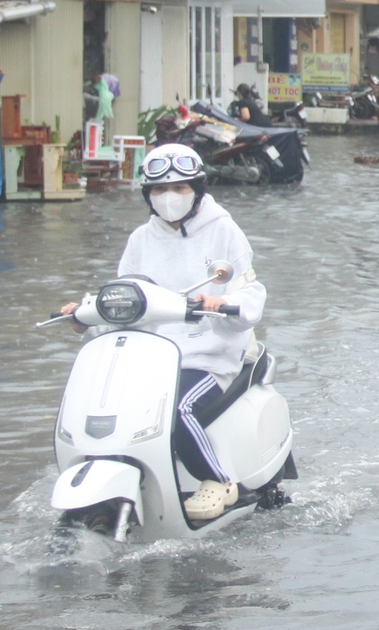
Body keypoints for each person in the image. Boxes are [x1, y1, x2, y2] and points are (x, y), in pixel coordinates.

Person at [60, 144, 267, 521]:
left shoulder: (223, 231)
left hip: (207, 356)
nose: (169, 197)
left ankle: (217, 480)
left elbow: (251, 293)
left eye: (180, 188)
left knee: (177, 410)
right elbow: (126, 295)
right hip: (148, 356)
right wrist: (84, 315)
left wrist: (223, 303)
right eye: (158, 190)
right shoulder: (141, 239)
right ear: (147, 195)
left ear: (198, 189)